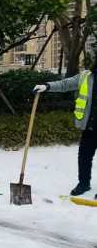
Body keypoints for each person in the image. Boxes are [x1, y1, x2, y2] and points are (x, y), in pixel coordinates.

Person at [35, 63, 97, 198]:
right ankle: (84, 184)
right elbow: (65, 84)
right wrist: (47, 86)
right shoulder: (86, 76)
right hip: (90, 127)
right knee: (84, 157)